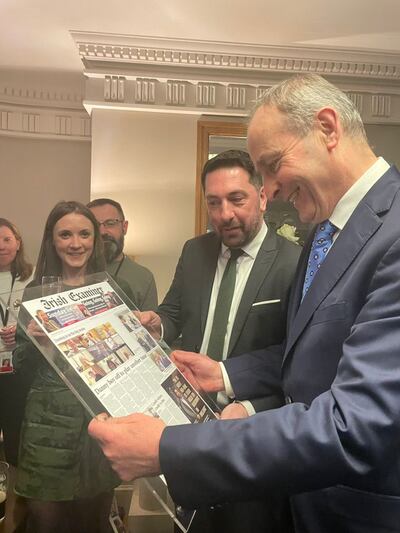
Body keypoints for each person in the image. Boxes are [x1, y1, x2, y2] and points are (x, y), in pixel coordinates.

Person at [89, 73, 400, 533]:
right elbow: (305, 357)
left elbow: (356, 424)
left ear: (328, 129)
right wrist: (226, 373)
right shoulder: (323, 235)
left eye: (273, 165)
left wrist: (167, 448)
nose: (270, 189)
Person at [121, 150, 301, 532]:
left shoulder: (293, 262)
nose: (225, 215)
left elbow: (296, 359)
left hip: (254, 433)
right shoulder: (195, 250)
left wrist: (252, 407)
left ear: (263, 197)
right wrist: (158, 325)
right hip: (189, 422)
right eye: (214, 203)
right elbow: (173, 311)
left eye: (237, 199)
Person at [13, 201, 132, 533]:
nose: (75, 243)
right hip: (46, 425)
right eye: (65, 234)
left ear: (95, 239)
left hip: (96, 423)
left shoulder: (110, 291)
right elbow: (19, 363)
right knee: (45, 521)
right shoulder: (35, 293)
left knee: (92, 521)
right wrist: (37, 344)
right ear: (52, 240)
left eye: (84, 234)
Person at [0, 218, 34, 532]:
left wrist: (21, 331)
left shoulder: (33, 277)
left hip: (18, 371)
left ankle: (15, 507)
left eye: (7, 239)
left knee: (15, 439)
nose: (1, 246)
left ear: (18, 241)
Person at [87, 198, 158, 311]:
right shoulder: (74, 269)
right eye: (95, 225)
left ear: (124, 227)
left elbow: (149, 326)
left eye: (110, 223)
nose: (102, 232)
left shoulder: (143, 277)